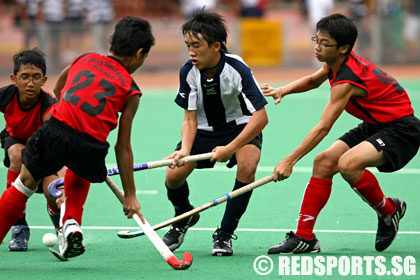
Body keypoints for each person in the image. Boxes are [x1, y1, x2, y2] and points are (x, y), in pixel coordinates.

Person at [261, 13, 420, 254]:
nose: (318, 47)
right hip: (376, 123)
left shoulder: (348, 80)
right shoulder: (336, 63)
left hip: (401, 129)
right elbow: (313, 81)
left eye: (325, 44)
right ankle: (305, 237)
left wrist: (289, 160)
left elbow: (323, 127)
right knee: (324, 162)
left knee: (348, 164)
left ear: (344, 48)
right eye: (317, 40)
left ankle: (388, 211)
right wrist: (283, 90)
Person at [0, 16, 155, 259]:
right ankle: (71, 223)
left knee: (24, 184)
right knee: (80, 171)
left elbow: (59, 90)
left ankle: (59, 225)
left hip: (56, 129)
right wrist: (131, 196)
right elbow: (122, 147)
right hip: (91, 146)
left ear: (112, 42)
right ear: (139, 53)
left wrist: (69, 114)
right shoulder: (131, 89)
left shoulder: (85, 58)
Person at [163, 10, 268, 257]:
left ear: (216, 46)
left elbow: (261, 117)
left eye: (196, 45)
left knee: (248, 165)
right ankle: (184, 215)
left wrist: (231, 148)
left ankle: (225, 233)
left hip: (240, 128)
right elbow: (189, 120)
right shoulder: (187, 71)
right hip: (203, 131)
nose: (191, 51)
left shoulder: (236, 68)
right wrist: (185, 151)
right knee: (172, 176)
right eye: (188, 45)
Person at [0, 48, 64, 251]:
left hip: (43, 151)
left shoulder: (49, 105)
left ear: (44, 80)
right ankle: (18, 225)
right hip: (16, 140)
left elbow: (51, 143)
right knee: (18, 154)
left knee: (53, 192)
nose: (30, 83)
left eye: (36, 77)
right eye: (24, 77)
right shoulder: (6, 95)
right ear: (14, 78)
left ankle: (58, 220)